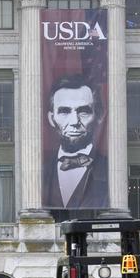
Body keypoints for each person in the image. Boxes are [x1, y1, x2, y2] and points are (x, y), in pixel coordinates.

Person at [42, 74, 108, 209]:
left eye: (83, 112)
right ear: (51, 119)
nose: (74, 122)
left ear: (99, 116)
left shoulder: (111, 170)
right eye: (64, 112)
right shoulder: (41, 171)